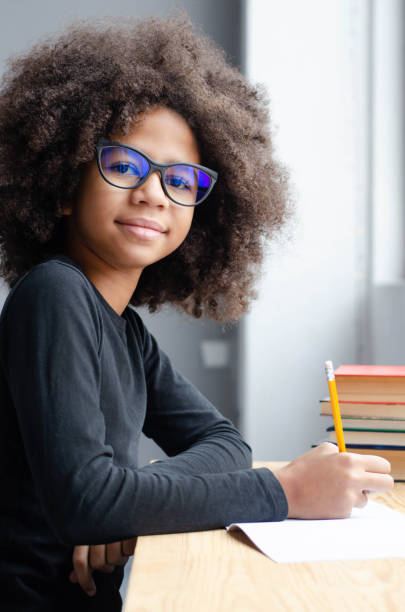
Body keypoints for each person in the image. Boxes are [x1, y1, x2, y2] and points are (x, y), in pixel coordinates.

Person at [0, 13, 393, 612]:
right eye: (125, 165)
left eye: (181, 179)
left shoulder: (126, 331)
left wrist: (130, 501)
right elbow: (86, 502)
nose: (154, 192)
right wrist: (281, 490)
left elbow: (223, 442)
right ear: (60, 186)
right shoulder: (54, 295)